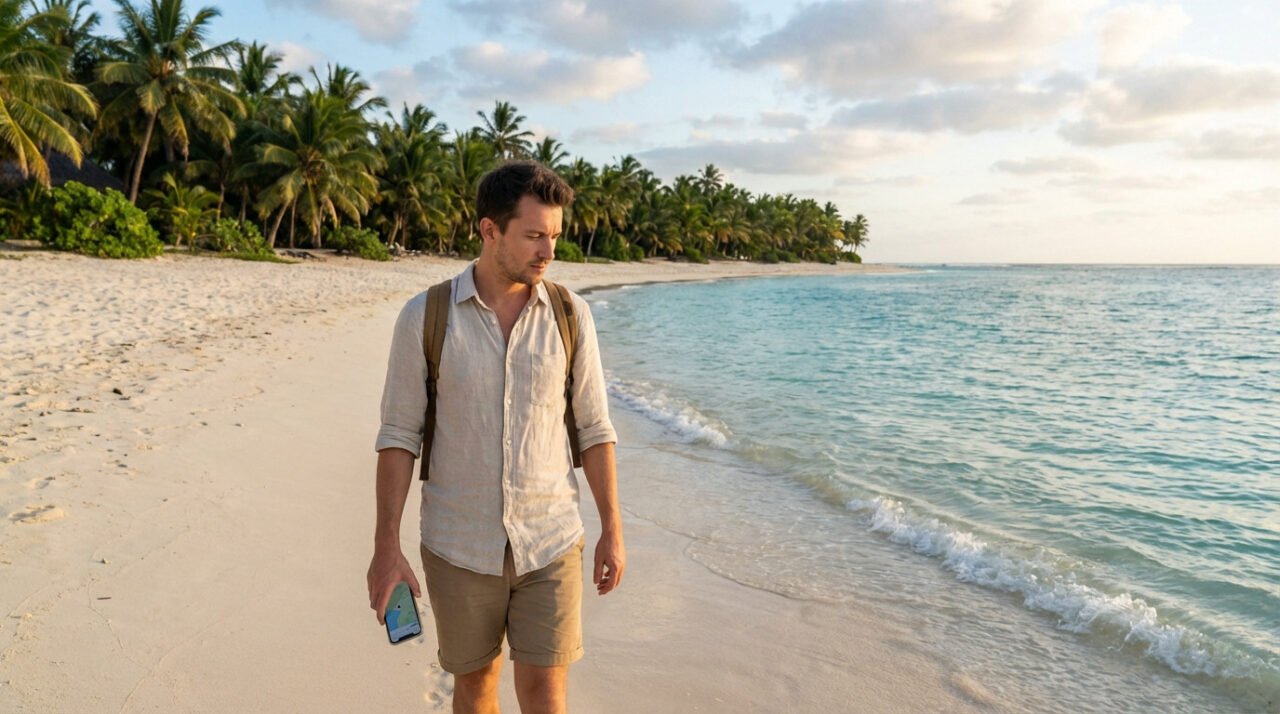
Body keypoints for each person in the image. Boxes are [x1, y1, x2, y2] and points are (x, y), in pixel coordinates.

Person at [366, 160, 625, 714]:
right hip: (458, 543)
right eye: (534, 235)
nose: (548, 251)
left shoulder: (570, 315)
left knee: (545, 695)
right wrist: (386, 547)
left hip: (551, 538)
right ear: (489, 231)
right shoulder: (426, 316)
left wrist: (613, 529)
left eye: (554, 236)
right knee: (477, 686)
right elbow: (398, 436)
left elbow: (595, 429)